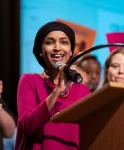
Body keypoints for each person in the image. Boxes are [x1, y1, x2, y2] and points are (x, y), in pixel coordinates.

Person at [15, 21, 90, 150]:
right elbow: (26, 127)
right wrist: (57, 91)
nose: (57, 47)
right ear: (40, 51)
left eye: (64, 42)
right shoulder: (29, 80)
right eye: (49, 42)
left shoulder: (83, 90)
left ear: (71, 51)